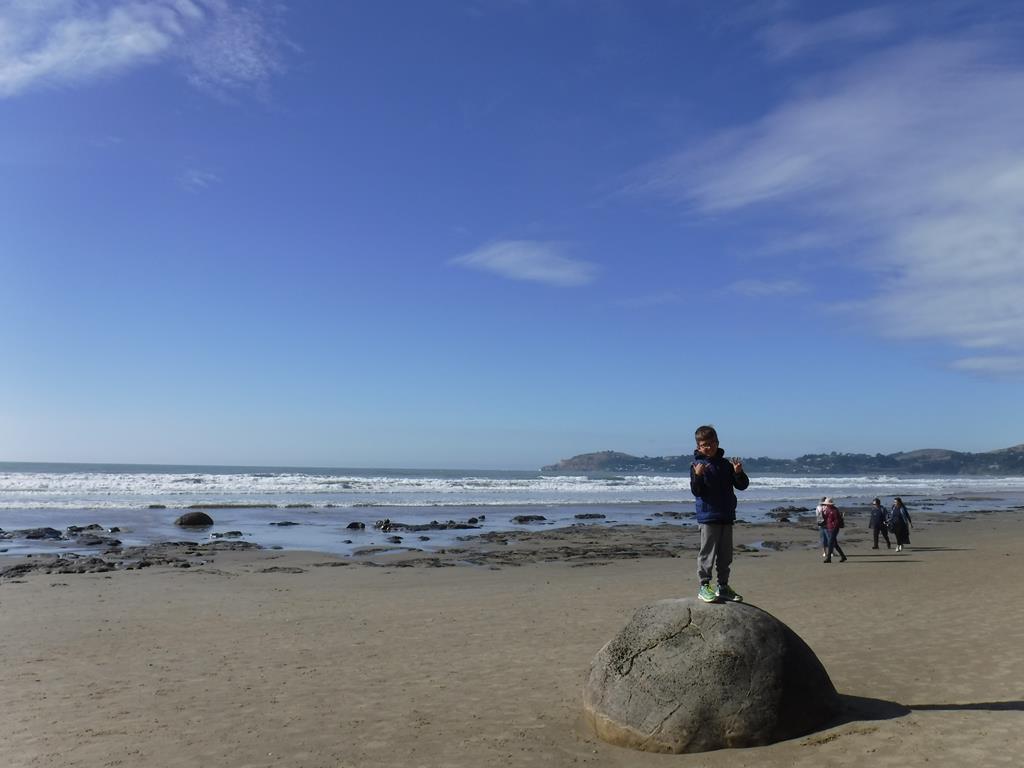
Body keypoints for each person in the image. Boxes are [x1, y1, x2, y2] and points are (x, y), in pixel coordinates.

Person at [690, 425, 749, 603]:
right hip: (708, 516)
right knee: (707, 553)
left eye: (711, 443)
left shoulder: (725, 464)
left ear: (717, 443)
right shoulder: (697, 465)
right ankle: (704, 585)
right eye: (704, 444)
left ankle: (723, 586)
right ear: (698, 447)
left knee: (725, 555)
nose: (708, 447)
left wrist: (738, 473)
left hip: (726, 515)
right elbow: (696, 491)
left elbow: (742, 485)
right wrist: (698, 476)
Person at [821, 497, 847, 563]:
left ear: (830, 504)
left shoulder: (835, 510)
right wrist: (822, 512)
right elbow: (825, 518)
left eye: (827, 504)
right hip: (829, 528)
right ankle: (843, 556)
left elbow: (837, 520)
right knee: (835, 544)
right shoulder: (827, 509)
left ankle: (828, 558)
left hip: (834, 529)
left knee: (830, 543)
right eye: (825, 504)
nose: (826, 505)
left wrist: (834, 527)